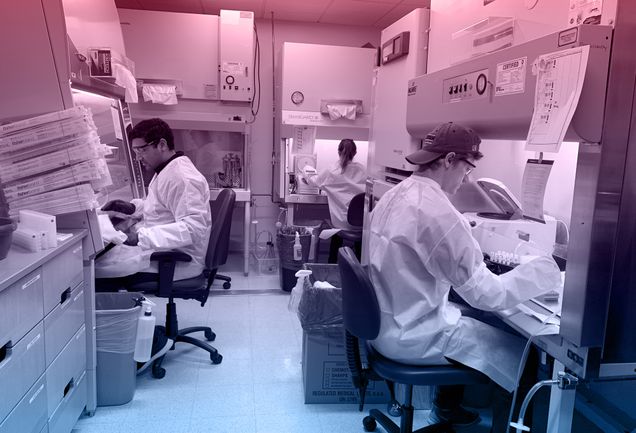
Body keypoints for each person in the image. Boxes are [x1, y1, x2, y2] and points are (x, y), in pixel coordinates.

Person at [367, 122, 561, 430]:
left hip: (386, 325)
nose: (466, 178)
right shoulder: (440, 214)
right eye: (467, 168)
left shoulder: (396, 194)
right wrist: (543, 271)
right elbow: (488, 295)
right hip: (413, 335)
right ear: (448, 160)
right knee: (525, 357)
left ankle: (447, 409)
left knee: (465, 317)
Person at [95, 118, 211, 289]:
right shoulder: (166, 169)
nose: (138, 157)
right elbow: (161, 207)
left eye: (141, 150)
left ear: (162, 144)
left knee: (93, 271)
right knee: (102, 261)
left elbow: (193, 228)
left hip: (174, 260)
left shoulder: (182, 177)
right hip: (162, 250)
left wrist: (140, 237)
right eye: (135, 151)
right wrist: (133, 207)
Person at [302, 138, 366, 262]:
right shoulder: (363, 170)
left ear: (338, 151)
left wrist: (306, 171)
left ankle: (332, 262)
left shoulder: (332, 170)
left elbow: (314, 182)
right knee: (354, 236)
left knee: (335, 231)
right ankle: (359, 266)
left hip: (341, 223)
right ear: (355, 152)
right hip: (360, 225)